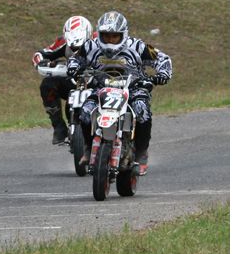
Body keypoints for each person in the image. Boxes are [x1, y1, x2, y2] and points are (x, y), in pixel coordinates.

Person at [67, 11, 172, 176]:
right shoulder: (90, 46)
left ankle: (141, 154)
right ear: (99, 35)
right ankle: (88, 148)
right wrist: (73, 68)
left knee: (142, 111)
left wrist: (162, 75)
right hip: (100, 88)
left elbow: (163, 59)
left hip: (134, 89)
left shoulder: (138, 46)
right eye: (106, 36)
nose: (110, 41)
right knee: (85, 113)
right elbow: (74, 58)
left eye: (114, 37)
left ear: (124, 34)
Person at [31, 15, 93, 144]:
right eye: (73, 48)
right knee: (47, 84)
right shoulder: (62, 42)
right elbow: (39, 54)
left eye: (80, 47)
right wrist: (42, 63)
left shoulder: (101, 40)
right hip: (73, 81)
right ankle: (59, 126)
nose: (76, 50)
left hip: (97, 82)